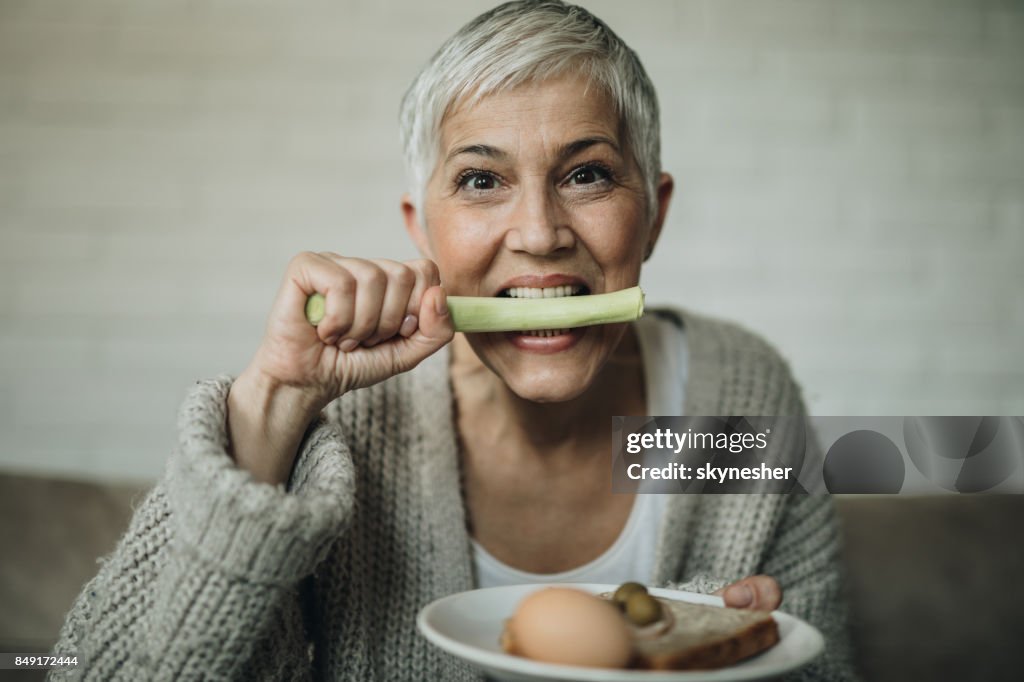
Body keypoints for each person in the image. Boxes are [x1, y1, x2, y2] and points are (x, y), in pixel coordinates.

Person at [51, 1, 858, 679]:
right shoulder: (350, 426)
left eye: (588, 174)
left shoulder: (741, 403)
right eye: (481, 179)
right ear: (420, 228)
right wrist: (275, 398)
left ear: (654, 214)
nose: (539, 234)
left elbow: (821, 665)